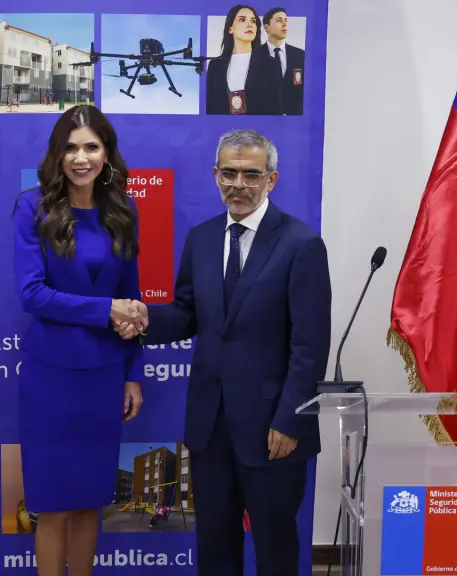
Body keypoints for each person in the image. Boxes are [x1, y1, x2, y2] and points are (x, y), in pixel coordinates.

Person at [116, 129, 331, 574]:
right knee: (214, 546)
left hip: (274, 431)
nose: (239, 184)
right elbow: (188, 314)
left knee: (275, 548)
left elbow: (310, 345)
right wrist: (143, 319)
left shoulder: (301, 244)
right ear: (215, 175)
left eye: (251, 175)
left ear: (271, 180)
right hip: (210, 426)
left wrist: (290, 419)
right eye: (229, 173)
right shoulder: (201, 238)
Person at [12, 104, 145, 576]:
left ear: (107, 153)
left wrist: (133, 374)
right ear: (57, 154)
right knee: (54, 504)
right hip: (51, 376)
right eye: (70, 147)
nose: (80, 157)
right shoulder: (34, 206)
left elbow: (131, 300)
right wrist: (104, 309)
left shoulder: (123, 211)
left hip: (106, 375)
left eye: (91, 146)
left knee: (91, 500)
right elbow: (32, 294)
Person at [205, 5, 280, 115]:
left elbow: (276, 108)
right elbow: (210, 105)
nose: (249, 24)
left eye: (253, 21)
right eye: (242, 20)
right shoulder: (215, 65)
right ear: (230, 29)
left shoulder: (270, 64)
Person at [263, 8, 305, 115]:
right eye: (279, 20)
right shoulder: (254, 55)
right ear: (266, 27)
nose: (284, 24)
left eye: (286, 20)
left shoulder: (301, 55)